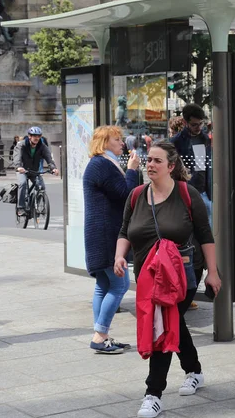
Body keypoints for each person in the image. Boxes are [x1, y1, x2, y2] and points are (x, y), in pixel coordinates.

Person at [113, 141, 221, 418]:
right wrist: (119, 256)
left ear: (171, 167)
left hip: (182, 274)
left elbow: (205, 236)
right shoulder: (136, 195)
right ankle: (194, 371)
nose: (150, 165)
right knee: (175, 323)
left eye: (157, 161)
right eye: (148, 160)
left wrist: (213, 272)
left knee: (163, 325)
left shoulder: (187, 194)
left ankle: (153, 394)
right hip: (148, 276)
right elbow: (125, 231)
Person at [83, 125, 140, 354]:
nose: (122, 143)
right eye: (117, 139)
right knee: (120, 284)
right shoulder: (102, 164)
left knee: (103, 285)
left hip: (99, 233)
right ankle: (100, 335)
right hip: (106, 234)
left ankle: (102, 334)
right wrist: (133, 170)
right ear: (105, 142)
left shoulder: (101, 163)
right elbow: (126, 194)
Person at [170, 104, 212, 227]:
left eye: (201, 124)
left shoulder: (206, 139)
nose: (198, 127)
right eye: (194, 124)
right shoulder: (176, 142)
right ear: (185, 122)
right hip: (186, 192)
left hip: (204, 192)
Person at [13, 126, 58, 216]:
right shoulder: (21, 145)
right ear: (29, 136)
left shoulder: (42, 146)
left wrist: (53, 168)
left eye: (38, 136)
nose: (37, 138)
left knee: (41, 187)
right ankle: (20, 208)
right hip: (22, 170)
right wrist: (18, 167)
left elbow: (49, 158)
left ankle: (37, 206)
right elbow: (17, 157)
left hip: (34, 171)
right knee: (23, 183)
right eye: (34, 136)